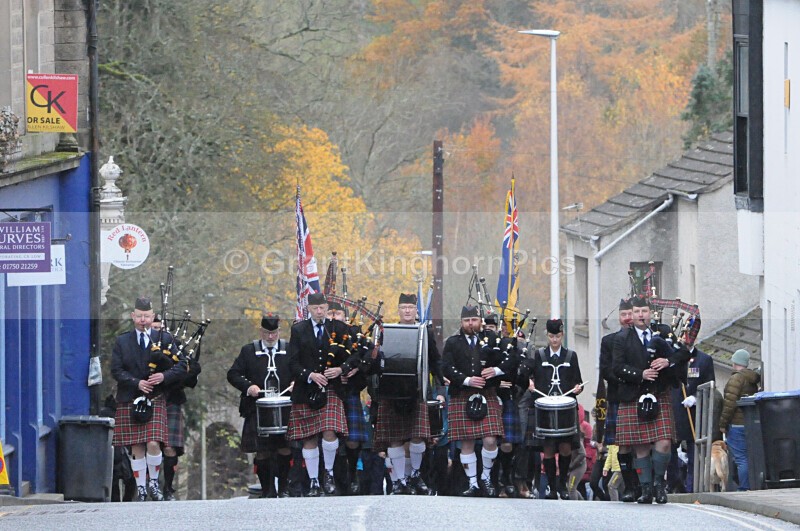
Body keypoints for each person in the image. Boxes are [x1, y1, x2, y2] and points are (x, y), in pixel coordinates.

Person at [612, 296, 690, 505]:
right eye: (636, 311)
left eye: (644, 311)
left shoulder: (663, 332)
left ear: (649, 312)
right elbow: (616, 367)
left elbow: (684, 352)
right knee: (641, 445)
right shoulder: (623, 338)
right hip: (634, 395)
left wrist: (668, 360)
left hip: (659, 393)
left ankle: (658, 484)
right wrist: (641, 374)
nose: (640, 315)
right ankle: (645, 488)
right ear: (631, 314)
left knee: (664, 443)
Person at [111, 296, 186, 502]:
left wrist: (163, 376)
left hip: (156, 396)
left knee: (153, 442)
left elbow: (182, 365)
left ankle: (153, 482)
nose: (143, 320)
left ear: (152, 316)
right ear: (133, 316)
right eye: (139, 316)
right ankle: (141, 487)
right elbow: (116, 370)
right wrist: (136, 382)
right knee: (136, 444)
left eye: (146, 316)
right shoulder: (122, 341)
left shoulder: (165, 339)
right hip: (130, 396)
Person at [286, 292, 360, 497]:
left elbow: (356, 354)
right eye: (315, 308)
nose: (319, 312)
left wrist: (341, 369)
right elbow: (292, 362)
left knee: (330, 431)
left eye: (322, 308)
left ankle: (327, 472)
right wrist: (309, 375)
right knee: (308, 438)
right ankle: (313, 481)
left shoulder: (340, 328)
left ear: (327, 308)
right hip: (306, 389)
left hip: (332, 389)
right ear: (308, 309)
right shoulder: (298, 330)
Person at [373, 293, 443, 495]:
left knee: (418, 437)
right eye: (403, 307)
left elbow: (435, 360)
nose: (407, 311)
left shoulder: (424, 332)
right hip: (391, 391)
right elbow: (377, 360)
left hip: (417, 391)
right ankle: (399, 481)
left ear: (416, 310)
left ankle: (415, 475)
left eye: (410, 308)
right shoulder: (388, 331)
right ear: (398, 310)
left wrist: (440, 384)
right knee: (394, 439)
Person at [442, 305, 509, 497]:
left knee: (490, 439)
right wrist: (466, 379)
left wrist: (496, 371)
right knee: (467, 442)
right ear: (461, 322)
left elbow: (509, 359)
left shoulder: (492, 340)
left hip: (487, 393)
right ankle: (472, 482)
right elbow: (445, 367)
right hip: (462, 393)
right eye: (466, 320)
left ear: (480, 321)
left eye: (473, 320)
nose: (470, 324)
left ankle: (486, 477)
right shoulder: (453, 343)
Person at [227, 313, 293, 498]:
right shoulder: (248, 351)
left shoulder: (289, 349)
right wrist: (249, 387)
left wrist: (296, 382)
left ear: (279, 331)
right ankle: (267, 490)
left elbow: (299, 370)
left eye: (274, 333)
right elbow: (233, 374)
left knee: (285, 449)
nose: (270, 337)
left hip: (285, 408)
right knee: (262, 451)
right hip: (256, 408)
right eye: (266, 333)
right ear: (260, 332)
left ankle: (284, 488)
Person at [520, 318, 583, 500]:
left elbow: (578, 380)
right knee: (547, 447)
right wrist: (530, 383)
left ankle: (562, 483)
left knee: (565, 447)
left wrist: (579, 387)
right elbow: (529, 375)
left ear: (562, 335)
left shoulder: (571, 356)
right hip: (544, 406)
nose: (554, 340)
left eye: (557, 336)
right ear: (547, 336)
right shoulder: (539, 355)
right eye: (551, 336)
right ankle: (552, 487)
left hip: (564, 407)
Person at [154, 314, 202, 501]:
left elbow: (189, 374)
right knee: (149, 445)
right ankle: (149, 487)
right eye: (155, 328)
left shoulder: (177, 346)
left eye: (160, 328)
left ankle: (168, 488)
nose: (157, 331)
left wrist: (187, 373)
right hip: (149, 398)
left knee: (169, 447)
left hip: (171, 399)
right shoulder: (143, 345)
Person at [326, 300, 371, 495]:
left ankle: (352, 474)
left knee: (353, 440)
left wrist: (356, 369)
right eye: (331, 314)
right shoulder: (321, 336)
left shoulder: (355, 335)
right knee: (330, 440)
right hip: (328, 393)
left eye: (338, 314)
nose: (334, 317)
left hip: (350, 392)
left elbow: (366, 359)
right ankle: (333, 478)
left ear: (345, 317)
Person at [600, 299, 638, 501]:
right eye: (624, 315)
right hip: (619, 397)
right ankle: (630, 486)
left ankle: (643, 485)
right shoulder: (609, 341)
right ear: (619, 317)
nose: (628, 318)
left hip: (641, 398)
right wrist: (630, 377)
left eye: (631, 314)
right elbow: (606, 371)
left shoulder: (645, 340)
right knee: (622, 444)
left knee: (641, 445)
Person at [668, 337, 715, 493]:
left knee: (695, 454)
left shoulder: (704, 360)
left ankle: (692, 487)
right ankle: (674, 484)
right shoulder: (670, 357)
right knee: (669, 451)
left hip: (694, 414)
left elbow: (710, 385)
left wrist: (696, 397)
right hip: (673, 412)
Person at [719, 349, 761, 491]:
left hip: (736, 424)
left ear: (735, 361)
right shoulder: (752, 379)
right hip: (749, 423)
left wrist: (723, 424)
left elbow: (729, 403)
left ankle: (744, 488)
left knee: (741, 459)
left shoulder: (736, 379)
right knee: (749, 457)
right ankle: (751, 485)